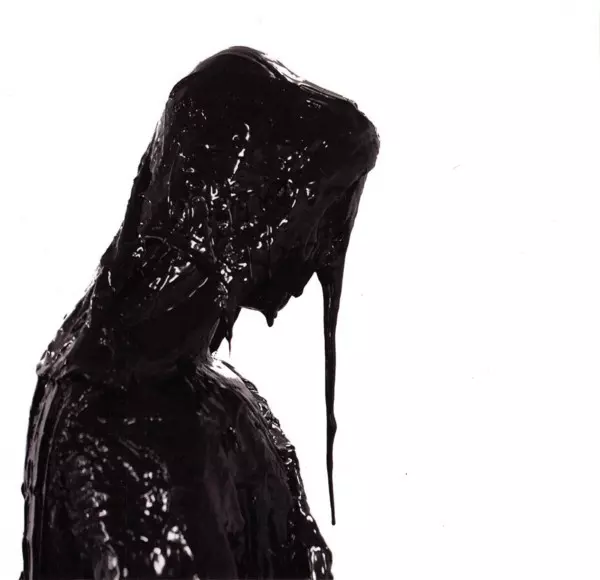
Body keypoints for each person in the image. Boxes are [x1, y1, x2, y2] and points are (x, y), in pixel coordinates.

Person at [20, 47, 379, 580]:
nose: (316, 264)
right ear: (250, 215)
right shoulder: (132, 423)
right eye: (316, 220)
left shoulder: (191, 390)